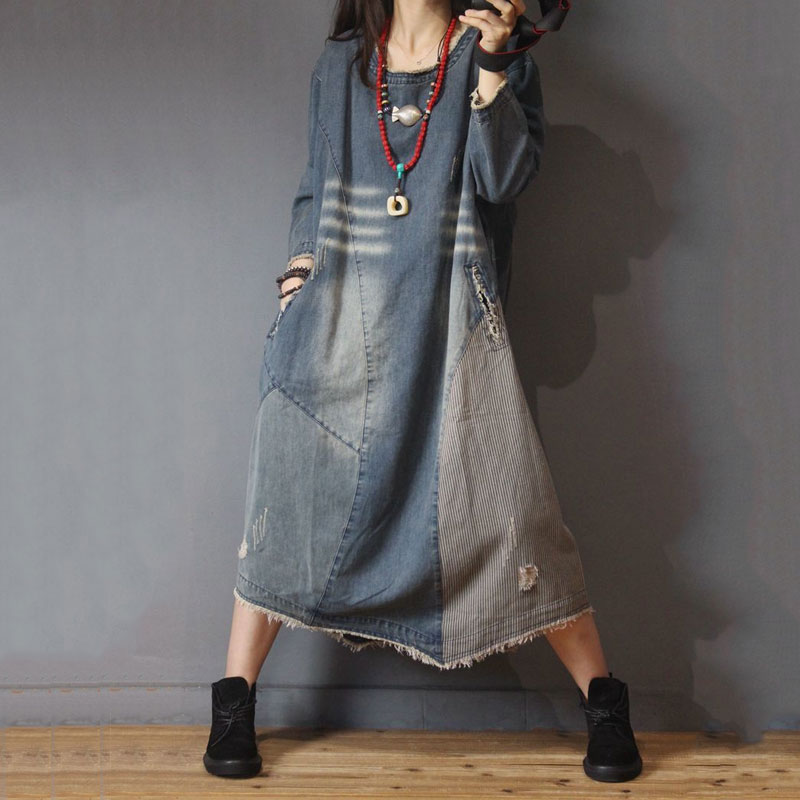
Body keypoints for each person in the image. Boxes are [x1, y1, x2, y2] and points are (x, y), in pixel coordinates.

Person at [204, 0, 643, 784]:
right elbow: (314, 189)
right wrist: (299, 271)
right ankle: (235, 701)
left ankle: (605, 703)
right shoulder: (342, 66)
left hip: (449, 327)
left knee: (514, 516)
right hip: (340, 322)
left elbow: (502, 179)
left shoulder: (493, 53)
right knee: (288, 496)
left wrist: (497, 62)